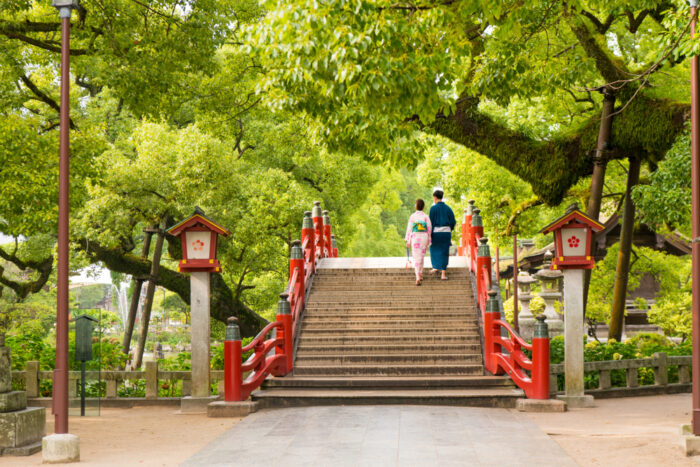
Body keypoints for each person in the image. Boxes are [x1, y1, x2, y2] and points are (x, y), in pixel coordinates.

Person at [429, 189, 456, 280]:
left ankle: (436, 267)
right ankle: (443, 274)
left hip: (436, 232)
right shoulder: (448, 208)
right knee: (444, 252)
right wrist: (449, 229)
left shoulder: (433, 208)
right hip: (446, 233)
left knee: (434, 249)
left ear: (435, 197)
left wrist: (430, 234)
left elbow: (430, 223)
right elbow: (453, 221)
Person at [405, 199, 431, 286]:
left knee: (416, 258)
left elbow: (409, 229)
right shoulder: (426, 216)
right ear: (423, 207)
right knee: (421, 257)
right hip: (423, 237)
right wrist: (429, 239)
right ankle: (420, 273)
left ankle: (418, 276)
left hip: (415, 237)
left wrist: (408, 240)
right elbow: (429, 228)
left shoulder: (412, 216)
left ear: (415, 206)